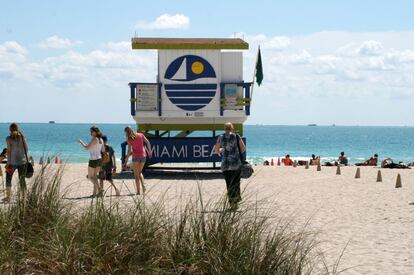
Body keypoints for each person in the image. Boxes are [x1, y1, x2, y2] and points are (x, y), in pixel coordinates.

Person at [215, 122, 246, 209]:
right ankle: (236, 202)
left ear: (224, 129)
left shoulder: (221, 137)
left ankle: (232, 203)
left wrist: (223, 150)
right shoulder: (236, 136)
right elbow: (243, 148)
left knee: (229, 184)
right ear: (232, 128)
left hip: (226, 165)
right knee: (236, 184)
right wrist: (235, 152)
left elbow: (217, 150)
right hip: (236, 164)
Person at [3, 123, 29, 203]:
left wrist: (7, 163)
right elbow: (27, 149)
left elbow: (9, 152)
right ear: (18, 128)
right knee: (22, 180)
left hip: (12, 162)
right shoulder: (22, 137)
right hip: (22, 162)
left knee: (8, 179)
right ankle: (24, 198)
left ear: (10, 129)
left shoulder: (8, 138)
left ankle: (8, 197)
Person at [124, 126, 152, 195]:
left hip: (136, 157)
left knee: (136, 175)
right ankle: (143, 186)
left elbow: (129, 151)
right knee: (140, 172)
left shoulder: (129, 139)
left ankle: (138, 191)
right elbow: (148, 143)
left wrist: (126, 160)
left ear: (126, 132)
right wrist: (149, 152)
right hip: (143, 156)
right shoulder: (140, 135)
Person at [79, 126, 105, 197]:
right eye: (90, 131)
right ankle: (94, 194)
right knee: (95, 177)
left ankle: (99, 188)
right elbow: (103, 150)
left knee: (90, 177)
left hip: (93, 159)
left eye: (92, 131)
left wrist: (81, 143)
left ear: (96, 132)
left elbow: (87, 148)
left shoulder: (95, 139)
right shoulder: (101, 139)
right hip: (99, 159)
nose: (90, 132)